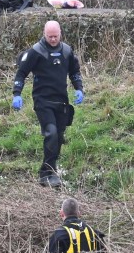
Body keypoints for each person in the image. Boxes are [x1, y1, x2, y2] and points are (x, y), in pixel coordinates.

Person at [12, 20, 84, 188]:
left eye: (55, 36)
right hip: (42, 100)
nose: (53, 39)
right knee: (50, 134)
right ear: (44, 34)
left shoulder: (66, 51)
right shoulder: (36, 52)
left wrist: (79, 88)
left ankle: (51, 171)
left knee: (58, 137)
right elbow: (21, 73)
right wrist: (17, 94)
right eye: (49, 36)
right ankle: (46, 174)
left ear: (60, 33)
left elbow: (74, 72)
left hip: (61, 101)